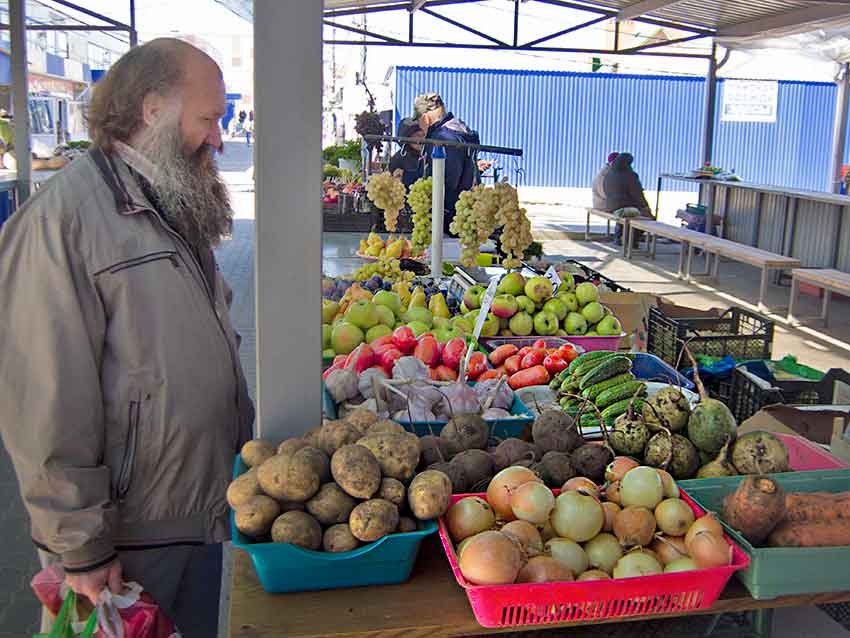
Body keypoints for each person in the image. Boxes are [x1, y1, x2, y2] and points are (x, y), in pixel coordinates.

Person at [0, 38, 254, 637]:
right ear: (152, 110)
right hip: (124, 540)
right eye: (209, 119)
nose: (219, 138)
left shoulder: (161, 199)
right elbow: (43, 400)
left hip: (188, 514)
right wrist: (80, 546)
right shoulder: (62, 223)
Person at [413, 92, 480, 233]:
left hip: (448, 221)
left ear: (425, 118)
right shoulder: (459, 131)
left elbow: (445, 182)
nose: (420, 127)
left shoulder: (443, 138)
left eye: (418, 122)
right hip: (462, 218)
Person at [603, 152, 653, 245]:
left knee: (627, 214)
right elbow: (638, 195)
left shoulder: (609, 174)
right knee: (649, 218)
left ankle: (619, 237)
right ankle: (631, 240)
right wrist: (646, 207)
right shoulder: (630, 175)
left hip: (610, 207)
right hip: (624, 208)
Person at [388, 117, 425, 188]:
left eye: (423, 135)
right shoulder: (398, 159)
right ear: (407, 138)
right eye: (417, 136)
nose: (421, 139)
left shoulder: (427, 155)